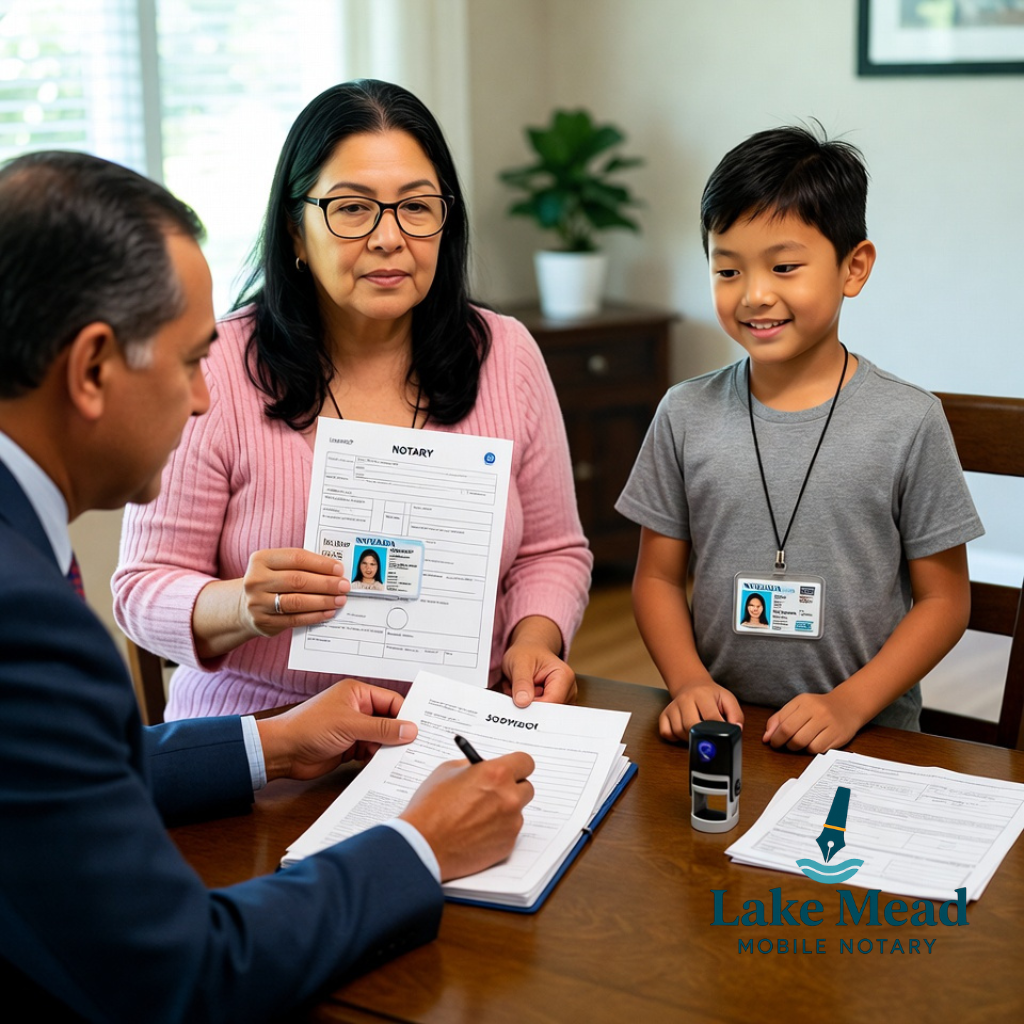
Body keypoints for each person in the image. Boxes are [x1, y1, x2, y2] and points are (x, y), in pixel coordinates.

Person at [0, 149, 535, 1023]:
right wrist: (417, 845)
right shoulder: (24, 620)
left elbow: (67, 776)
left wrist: (272, 745)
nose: (205, 401)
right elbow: (181, 974)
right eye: (186, 363)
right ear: (93, 369)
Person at [113, 79, 591, 718]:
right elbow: (142, 588)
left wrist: (534, 640)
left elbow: (552, 551)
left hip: (457, 722)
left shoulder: (505, 352)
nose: (390, 237)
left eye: (416, 207)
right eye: (352, 208)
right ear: (294, 231)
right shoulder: (220, 365)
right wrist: (242, 605)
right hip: (261, 733)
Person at [616, 126, 983, 754]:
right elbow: (655, 579)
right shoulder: (684, 413)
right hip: (726, 732)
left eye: (784, 266)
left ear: (854, 267)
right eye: (727, 269)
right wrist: (687, 682)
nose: (755, 294)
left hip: (868, 738)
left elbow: (945, 601)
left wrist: (850, 704)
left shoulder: (908, 420)